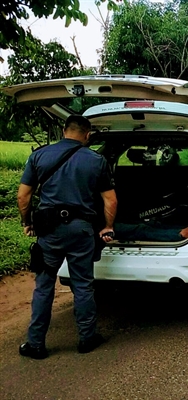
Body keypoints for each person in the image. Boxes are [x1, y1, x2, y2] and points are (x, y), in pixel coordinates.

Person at [17, 115, 118, 359]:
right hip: (81, 230)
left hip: (49, 231)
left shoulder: (39, 155)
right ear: (87, 135)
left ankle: (36, 344)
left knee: (43, 287)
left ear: (64, 130)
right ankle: (87, 338)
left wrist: (27, 222)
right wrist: (107, 227)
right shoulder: (96, 160)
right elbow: (110, 199)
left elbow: (23, 196)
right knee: (82, 285)